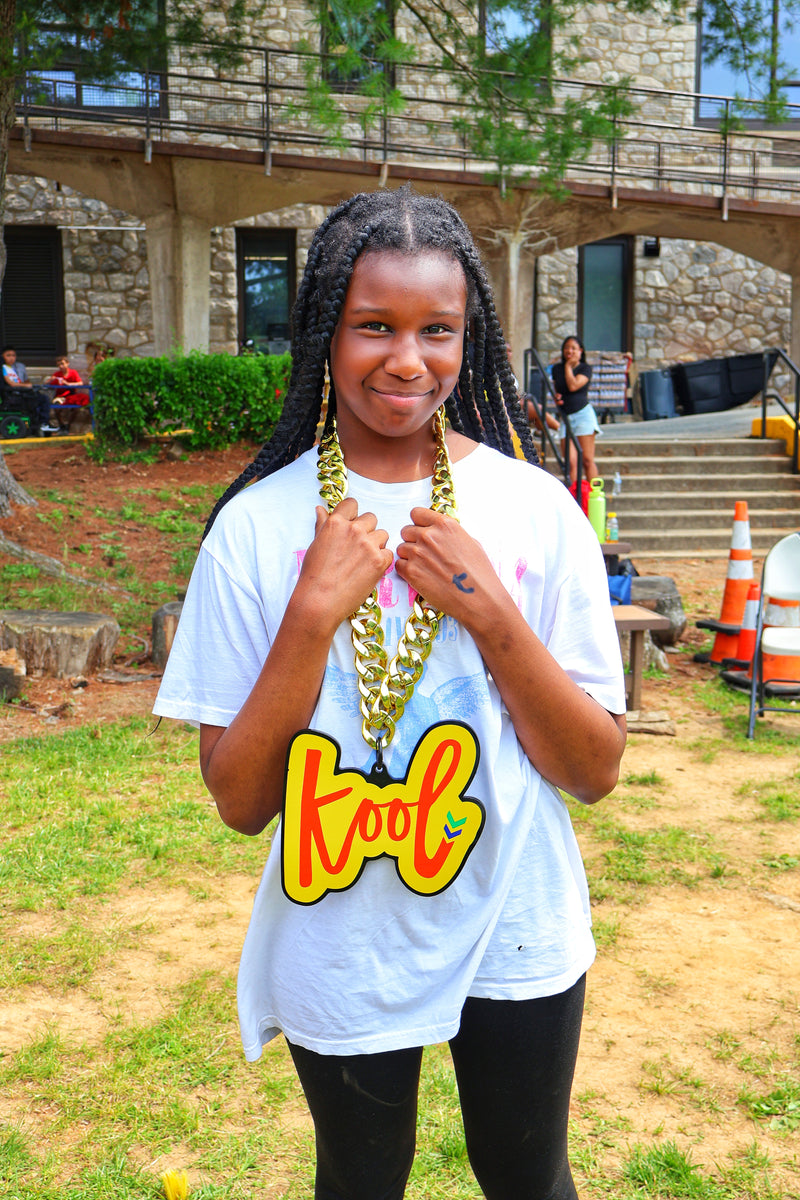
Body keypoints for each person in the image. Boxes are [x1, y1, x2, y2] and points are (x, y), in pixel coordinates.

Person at [153, 187, 626, 1200]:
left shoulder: (535, 511)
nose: (405, 360)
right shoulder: (253, 527)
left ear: (470, 339)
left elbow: (593, 770)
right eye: (373, 326)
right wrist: (308, 619)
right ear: (326, 328)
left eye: (435, 331)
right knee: (359, 1180)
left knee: (527, 1177)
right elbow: (240, 803)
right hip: (339, 933)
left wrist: (492, 616)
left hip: (516, 919)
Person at [552, 335, 599, 484]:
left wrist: (568, 367)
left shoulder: (585, 368)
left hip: (583, 415)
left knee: (586, 459)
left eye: (573, 348)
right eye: (567, 347)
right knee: (571, 463)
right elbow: (559, 388)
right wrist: (557, 397)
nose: (569, 351)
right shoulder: (556, 369)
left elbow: (573, 386)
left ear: (580, 351)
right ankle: (576, 498)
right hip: (566, 417)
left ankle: (595, 497)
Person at [1, 346, 60, 435]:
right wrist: (27, 386)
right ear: (2, 356)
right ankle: (44, 423)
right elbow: (11, 384)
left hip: (21, 393)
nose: (11, 358)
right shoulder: (3, 368)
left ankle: (39, 425)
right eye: (8, 355)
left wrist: (28, 385)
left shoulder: (17, 367)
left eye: (13, 355)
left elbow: (24, 381)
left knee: (40, 398)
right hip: (13, 395)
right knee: (43, 399)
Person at [45, 354, 90, 430]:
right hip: (60, 396)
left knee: (76, 409)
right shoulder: (57, 374)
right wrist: (50, 380)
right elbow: (46, 384)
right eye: (59, 365)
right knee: (56, 407)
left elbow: (80, 383)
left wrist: (68, 384)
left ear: (67, 363)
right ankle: (62, 424)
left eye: (62, 364)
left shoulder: (73, 372)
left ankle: (69, 425)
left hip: (71, 395)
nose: (61, 366)